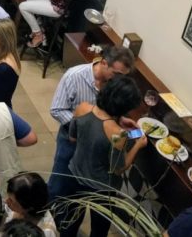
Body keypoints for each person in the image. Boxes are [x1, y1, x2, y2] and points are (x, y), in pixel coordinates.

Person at [47, 45, 135, 212]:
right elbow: (57, 109)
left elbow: (108, 109)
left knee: (81, 186)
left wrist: (119, 119)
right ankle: (49, 215)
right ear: (103, 63)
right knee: (60, 181)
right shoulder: (74, 76)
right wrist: (83, 126)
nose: (118, 80)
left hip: (97, 143)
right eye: (117, 74)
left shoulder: (112, 83)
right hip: (71, 138)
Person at [59, 75, 147, 237]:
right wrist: (138, 145)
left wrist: (119, 120)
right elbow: (119, 169)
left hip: (74, 174)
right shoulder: (117, 134)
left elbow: (72, 138)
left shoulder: (82, 108)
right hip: (100, 187)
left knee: (71, 219)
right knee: (100, 227)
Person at [4, 173, 57, 237]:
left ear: (29, 207)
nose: (6, 201)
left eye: (11, 200)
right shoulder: (16, 209)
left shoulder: (46, 231)